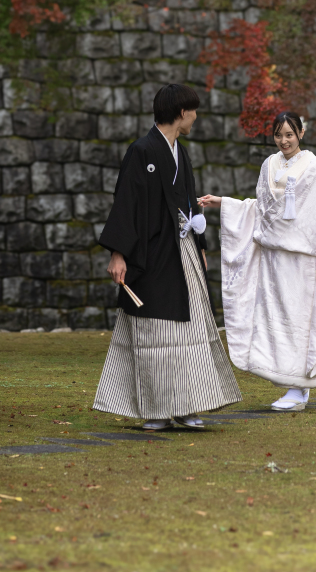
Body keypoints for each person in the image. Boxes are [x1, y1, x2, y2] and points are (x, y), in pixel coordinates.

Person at [198, 111, 316, 412]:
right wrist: (223, 203)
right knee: (276, 321)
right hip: (273, 258)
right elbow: (261, 209)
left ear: (300, 134)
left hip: (302, 259)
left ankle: (300, 387)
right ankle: (289, 383)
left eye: (289, 134)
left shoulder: (315, 167)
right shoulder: (268, 165)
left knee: (299, 320)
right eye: (278, 135)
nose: (284, 140)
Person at [93, 83, 241, 429]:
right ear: (181, 113)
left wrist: (200, 248)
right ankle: (156, 410)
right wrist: (119, 254)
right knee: (154, 331)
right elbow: (126, 202)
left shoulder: (180, 153)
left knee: (189, 329)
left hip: (181, 250)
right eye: (193, 111)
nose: (196, 116)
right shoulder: (142, 151)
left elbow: (188, 202)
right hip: (151, 253)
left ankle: (188, 406)